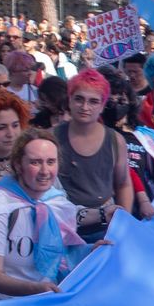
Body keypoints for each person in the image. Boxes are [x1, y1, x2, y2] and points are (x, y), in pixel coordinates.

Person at [0, 130, 81, 298]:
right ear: (17, 165)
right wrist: (34, 289)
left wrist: (93, 251)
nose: (45, 171)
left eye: (51, 162)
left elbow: (66, 251)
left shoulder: (54, 201)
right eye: (35, 163)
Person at [52, 70, 135, 243]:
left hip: (105, 228)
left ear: (103, 105)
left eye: (93, 101)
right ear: (70, 100)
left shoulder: (115, 140)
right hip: (62, 227)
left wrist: (123, 223)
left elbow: (123, 183)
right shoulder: (51, 138)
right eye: (79, 99)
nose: (85, 107)